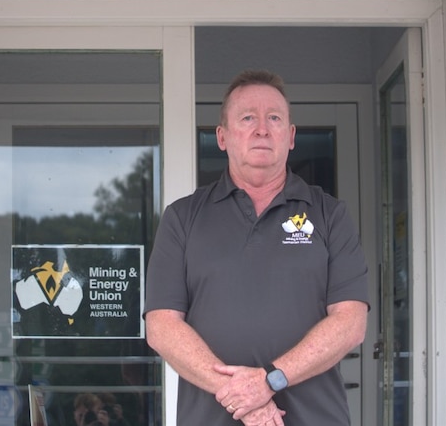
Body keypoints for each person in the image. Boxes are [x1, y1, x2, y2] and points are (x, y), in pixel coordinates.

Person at [144, 70, 369, 426]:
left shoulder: (330, 215)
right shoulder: (183, 218)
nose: (262, 129)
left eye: (274, 118)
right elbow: (161, 327)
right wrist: (245, 398)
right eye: (248, 118)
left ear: (290, 137)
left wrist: (269, 380)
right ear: (222, 137)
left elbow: (351, 322)